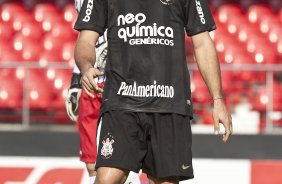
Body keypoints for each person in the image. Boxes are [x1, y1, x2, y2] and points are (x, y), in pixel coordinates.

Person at [74, 0, 233, 183]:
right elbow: (85, 40)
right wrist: (86, 67)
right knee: (108, 178)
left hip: (170, 102)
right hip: (121, 100)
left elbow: (203, 43)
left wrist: (218, 99)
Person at [65, 1, 107, 183]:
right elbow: (84, 38)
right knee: (92, 163)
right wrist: (76, 80)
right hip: (93, 81)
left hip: (123, 83)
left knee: (122, 162)